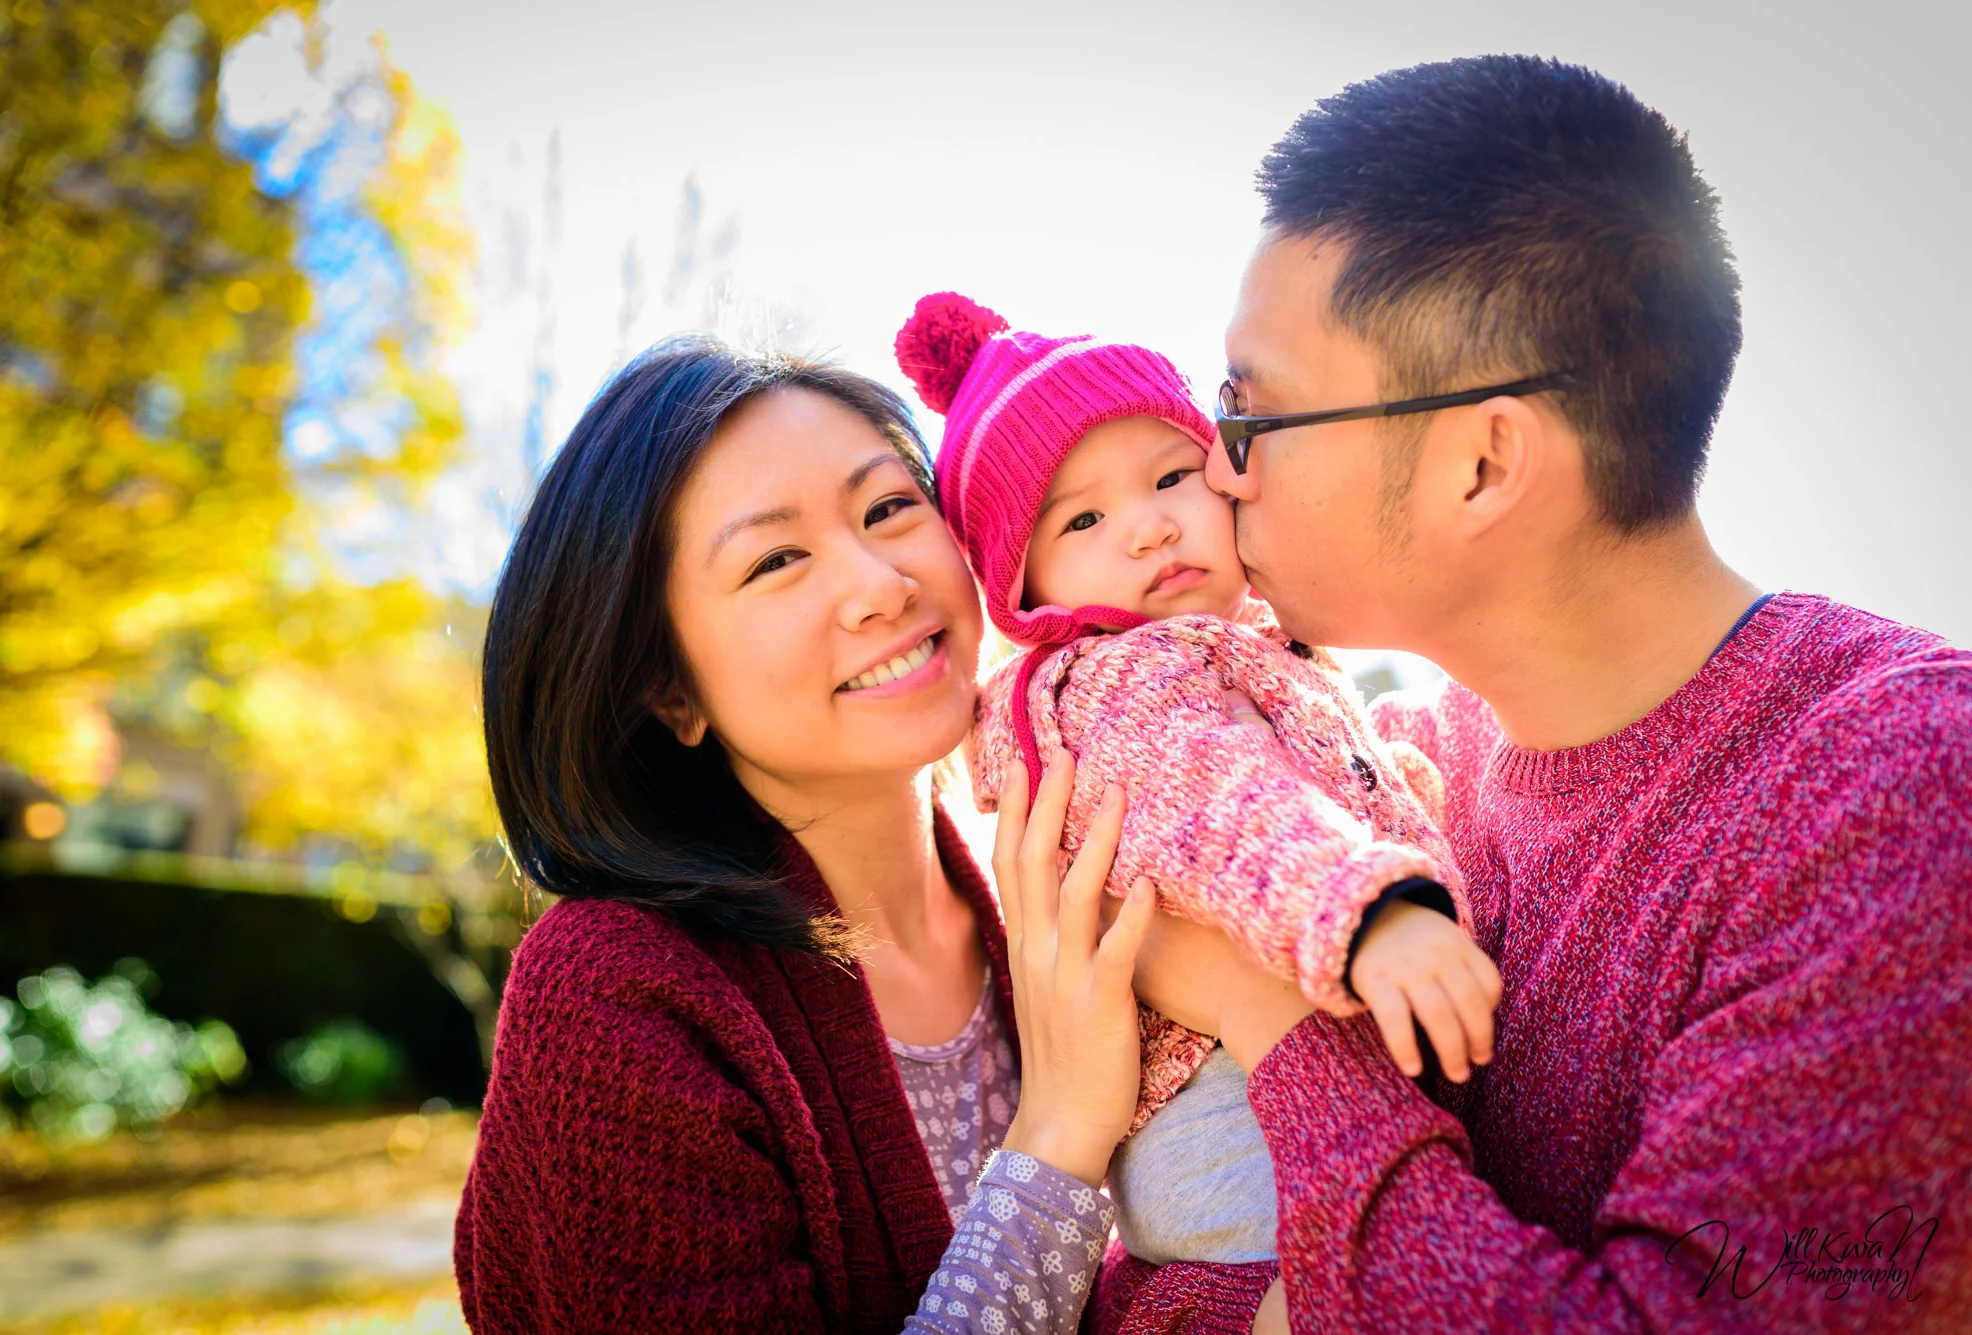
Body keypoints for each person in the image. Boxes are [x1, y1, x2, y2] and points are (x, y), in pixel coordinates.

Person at [1012, 55, 1972, 1331]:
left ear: (1479, 461)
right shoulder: (1399, 772)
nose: (1213, 474)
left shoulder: (1897, 795)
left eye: (1248, 416)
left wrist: (1273, 1020)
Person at [457, 339, 1169, 1332]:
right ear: (668, 690)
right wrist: (1056, 1132)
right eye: (775, 559)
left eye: (888, 509)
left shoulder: (1064, 890)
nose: (879, 583)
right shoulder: (613, 998)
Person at [890, 292, 1501, 1318]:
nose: (1148, 527)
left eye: (1171, 474)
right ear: (1022, 586)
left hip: (1293, 1070)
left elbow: (1323, 770)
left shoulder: (1241, 651)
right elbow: (1224, 803)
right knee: (1353, 1294)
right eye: (1081, 519)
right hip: (1232, 1124)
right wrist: (1370, 908)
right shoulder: (1119, 683)